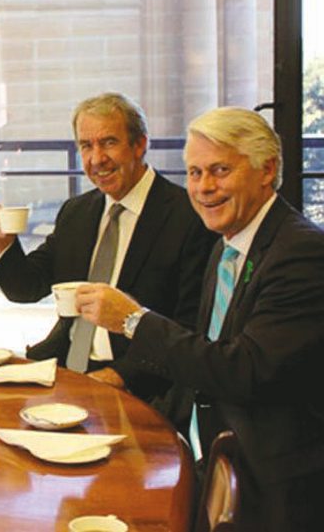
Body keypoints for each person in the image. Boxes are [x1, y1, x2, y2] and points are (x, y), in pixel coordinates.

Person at [77, 107, 324, 529]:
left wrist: (134, 320)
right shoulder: (227, 244)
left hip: (268, 489)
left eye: (220, 170)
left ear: (267, 170)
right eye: (194, 173)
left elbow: (243, 370)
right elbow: (201, 360)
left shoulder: (301, 253)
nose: (204, 187)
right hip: (204, 456)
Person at [0, 92, 214, 401]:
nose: (96, 159)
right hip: (65, 369)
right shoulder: (77, 212)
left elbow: (189, 327)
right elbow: (27, 288)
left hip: (140, 383)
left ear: (140, 145)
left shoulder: (189, 216)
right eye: (86, 146)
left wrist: (118, 377)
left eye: (109, 143)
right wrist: (4, 243)